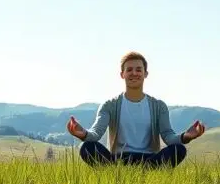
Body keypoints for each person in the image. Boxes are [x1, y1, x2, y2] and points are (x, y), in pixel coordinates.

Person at [66, 51, 206, 168]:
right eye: (129, 70)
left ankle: (149, 173)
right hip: (118, 160)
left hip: (150, 160)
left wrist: (186, 136)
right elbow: (95, 134)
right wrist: (82, 133)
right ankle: (114, 173)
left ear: (145, 74)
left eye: (139, 69)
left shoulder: (158, 106)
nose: (134, 73)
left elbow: (168, 136)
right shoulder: (109, 105)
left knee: (178, 150)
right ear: (122, 74)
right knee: (87, 147)